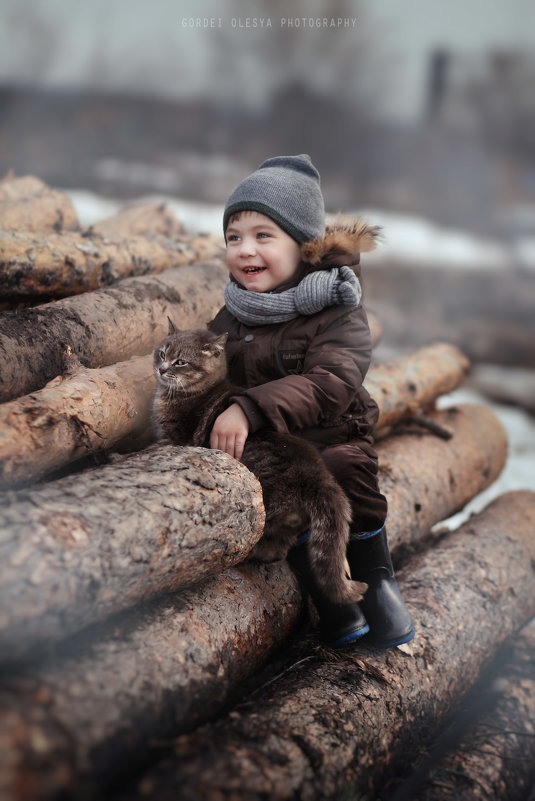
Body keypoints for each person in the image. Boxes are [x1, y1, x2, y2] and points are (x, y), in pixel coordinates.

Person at [208, 154, 415, 648]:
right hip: (274, 451)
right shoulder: (234, 313)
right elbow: (209, 367)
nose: (244, 250)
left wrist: (251, 407)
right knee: (283, 484)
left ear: (303, 246)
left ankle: (378, 580)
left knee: (343, 470)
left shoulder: (339, 309)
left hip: (331, 435)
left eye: (263, 236)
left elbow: (330, 383)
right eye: (234, 237)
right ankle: (332, 602)